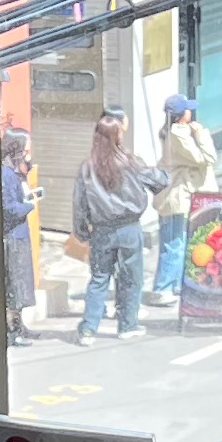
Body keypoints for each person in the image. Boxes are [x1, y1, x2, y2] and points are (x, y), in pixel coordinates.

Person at [71, 112, 154, 340]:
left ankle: (88, 328)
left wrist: (81, 231)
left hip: (101, 231)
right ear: (117, 137)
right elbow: (157, 180)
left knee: (99, 278)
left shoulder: (87, 167)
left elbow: (79, 203)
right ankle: (128, 325)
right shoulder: (131, 162)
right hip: (129, 229)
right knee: (130, 278)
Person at [150, 94, 216, 308]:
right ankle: (163, 289)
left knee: (177, 242)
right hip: (176, 197)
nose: (192, 112)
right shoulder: (178, 134)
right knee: (175, 244)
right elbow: (207, 158)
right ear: (181, 115)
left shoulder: (174, 131)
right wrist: (201, 133)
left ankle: (175, 284)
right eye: (188, 109)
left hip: (175, 197)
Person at [0, 121, 40, 344]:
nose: (28, 153)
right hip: (13, 238)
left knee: (21, 284)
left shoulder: (16, 172)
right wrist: (29, 205)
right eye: (26, 149)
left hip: (20, 236)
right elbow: (7, 208)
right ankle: (12, 331)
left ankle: (19, 326)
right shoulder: (5, 175)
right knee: (14, 286)